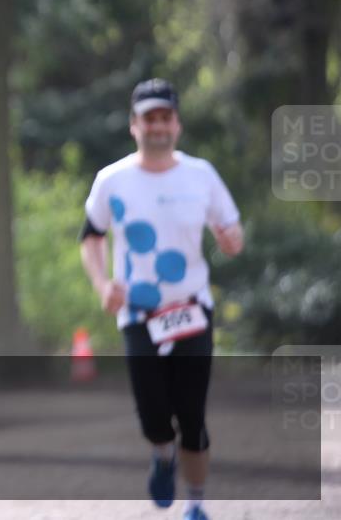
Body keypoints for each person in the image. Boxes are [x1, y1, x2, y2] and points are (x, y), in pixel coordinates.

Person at [79, 79, 244, 520]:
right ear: (134, 126)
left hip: (191, 309)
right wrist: (102, 284)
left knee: (192, 413)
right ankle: (162, 455)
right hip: (138, 313)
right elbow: (91, 238)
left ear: (178, 124)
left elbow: (233, 232)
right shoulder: (112, 180)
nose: (158, 126)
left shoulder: (201, 174)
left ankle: (196, 501)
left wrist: (231, 240)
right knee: (153, 414)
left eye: (165, 117)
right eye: (149, 118)